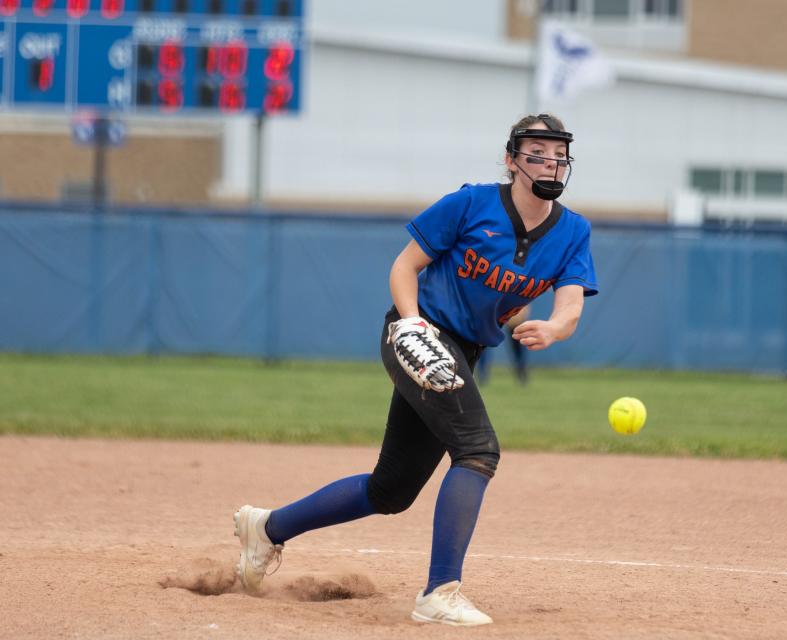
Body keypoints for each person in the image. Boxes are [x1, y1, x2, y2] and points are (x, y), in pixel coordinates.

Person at [232, 113, 598, 626]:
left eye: (558, 154)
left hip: (465, 350)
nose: (550, 162)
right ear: (511, 159)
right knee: (477, 450)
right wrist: (412, 326)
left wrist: (555, 328)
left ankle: (267, 528)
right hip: (415, 333)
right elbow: (404, 267)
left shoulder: (572, 231)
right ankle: (439, 592)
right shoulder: (471, 203)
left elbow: (572, 303)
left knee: (392, 490)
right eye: (536, 152)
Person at [475, 306, 530, 385]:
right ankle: (482, 375)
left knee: (518, 350)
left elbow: (525, 307)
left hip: (514, 321)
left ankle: (522, 374)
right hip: (492, 319)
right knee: (483, 346)